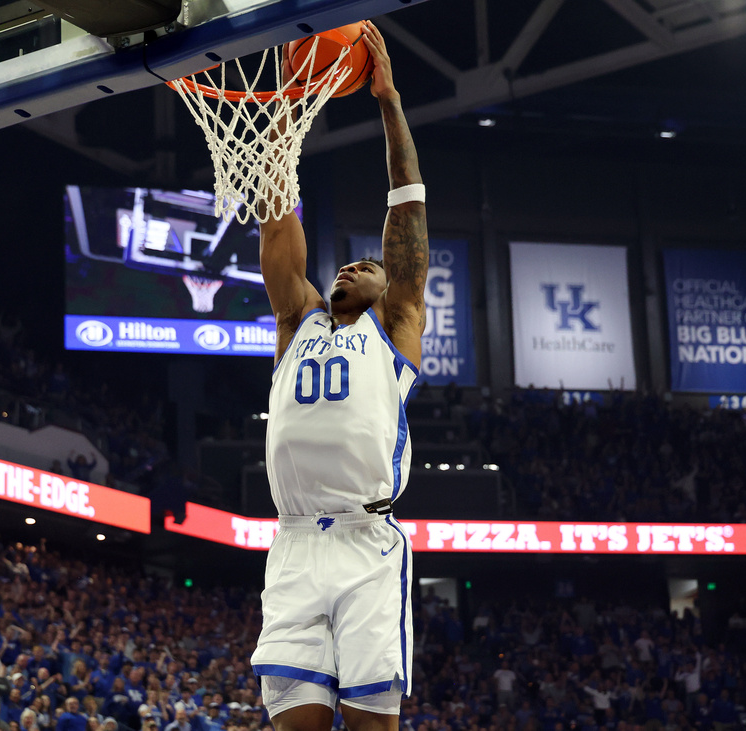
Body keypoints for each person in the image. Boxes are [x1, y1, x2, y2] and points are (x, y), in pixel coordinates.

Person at [248, 20, 427, 731]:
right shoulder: (299, 320)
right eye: (346, 262)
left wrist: (389, 102)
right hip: (294, 540)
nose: (353, 265)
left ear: (391, 287)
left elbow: (407, 203)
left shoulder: (395, 328)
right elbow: (273, 215)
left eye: (369, 265)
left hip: (363, 542)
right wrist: (289, 104)